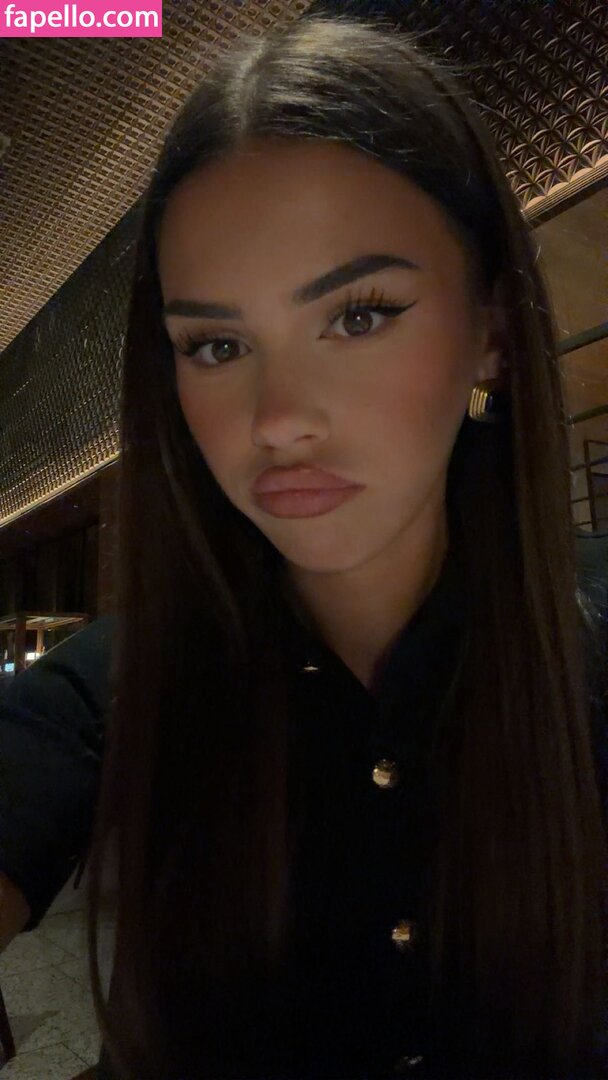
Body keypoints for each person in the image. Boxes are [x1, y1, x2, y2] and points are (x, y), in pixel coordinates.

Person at [2, 11, 608, 1078]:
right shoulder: (121, 685)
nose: (279, 418)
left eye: (359, 316)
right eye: (216, 344)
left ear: (491, 332)